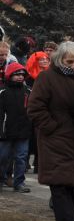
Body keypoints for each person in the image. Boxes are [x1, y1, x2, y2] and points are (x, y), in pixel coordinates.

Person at [26, 42, 74, 221]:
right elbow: (35, 107)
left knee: (72, 181)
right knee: (59, 181)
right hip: (55, 137)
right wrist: (51, 127)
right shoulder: (47, 78)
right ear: (60, 60)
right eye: (69, 61)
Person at [0, 62, 33, 193]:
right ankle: (1, 179)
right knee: (3, 158)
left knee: (21, 157)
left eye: (22, 74)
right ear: (10, 75)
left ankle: (19, 182)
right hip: (6, 131)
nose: (20, 77)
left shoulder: (28, 92)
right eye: (16, 74)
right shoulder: (2, 92)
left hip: (23, 131)